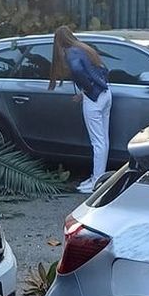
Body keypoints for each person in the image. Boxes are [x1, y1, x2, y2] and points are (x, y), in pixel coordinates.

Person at [49, 26, 111, 194]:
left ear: (59, 41)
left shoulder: (71, 53)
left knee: (97, 142)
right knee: (103, 140)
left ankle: (96, 182)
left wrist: (87, 89)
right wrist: (93, 87)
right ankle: (99, 178)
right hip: (105, 94)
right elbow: (104, 70)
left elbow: (77, 70)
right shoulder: (84, 48)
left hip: (94, 99)